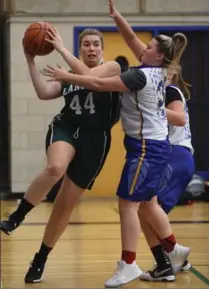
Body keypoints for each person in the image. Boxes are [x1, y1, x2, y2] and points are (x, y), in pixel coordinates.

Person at [42, 10, 189, 288]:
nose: (141, 48)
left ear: (156, 56)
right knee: (147, 203)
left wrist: (65, 74)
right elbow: (132, 38)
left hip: (146, 148)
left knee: (127, 205)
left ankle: (129, 263)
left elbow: (97, 83)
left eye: (148, 47)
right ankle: (172, 248)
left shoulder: (139, 76)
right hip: (156, 146)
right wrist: (116, 17)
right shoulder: (156, 67)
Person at [0, 28, 121, 282]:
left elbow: (89, 77)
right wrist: (30, 61)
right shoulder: (70, 73)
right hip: (66, 127)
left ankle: (41, 258)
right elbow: (44, 92)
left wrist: (62, 50)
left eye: (95, 44)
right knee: (55, 168)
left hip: (95, 139)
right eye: (86, 44)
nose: (91, 48)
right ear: (80, 48)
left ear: (101, 48)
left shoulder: (111, 68)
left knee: (64, 206)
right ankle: (17, 216)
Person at [139, 65, 195, 281]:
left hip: (177, 155)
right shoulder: (161, 92)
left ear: (169, 74)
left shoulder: (170, 91)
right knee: (149, 211)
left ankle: (167, 259)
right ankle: (177, 259)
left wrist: (152, 109)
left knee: (146, 208)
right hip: (175, 157)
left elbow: (179, 118)